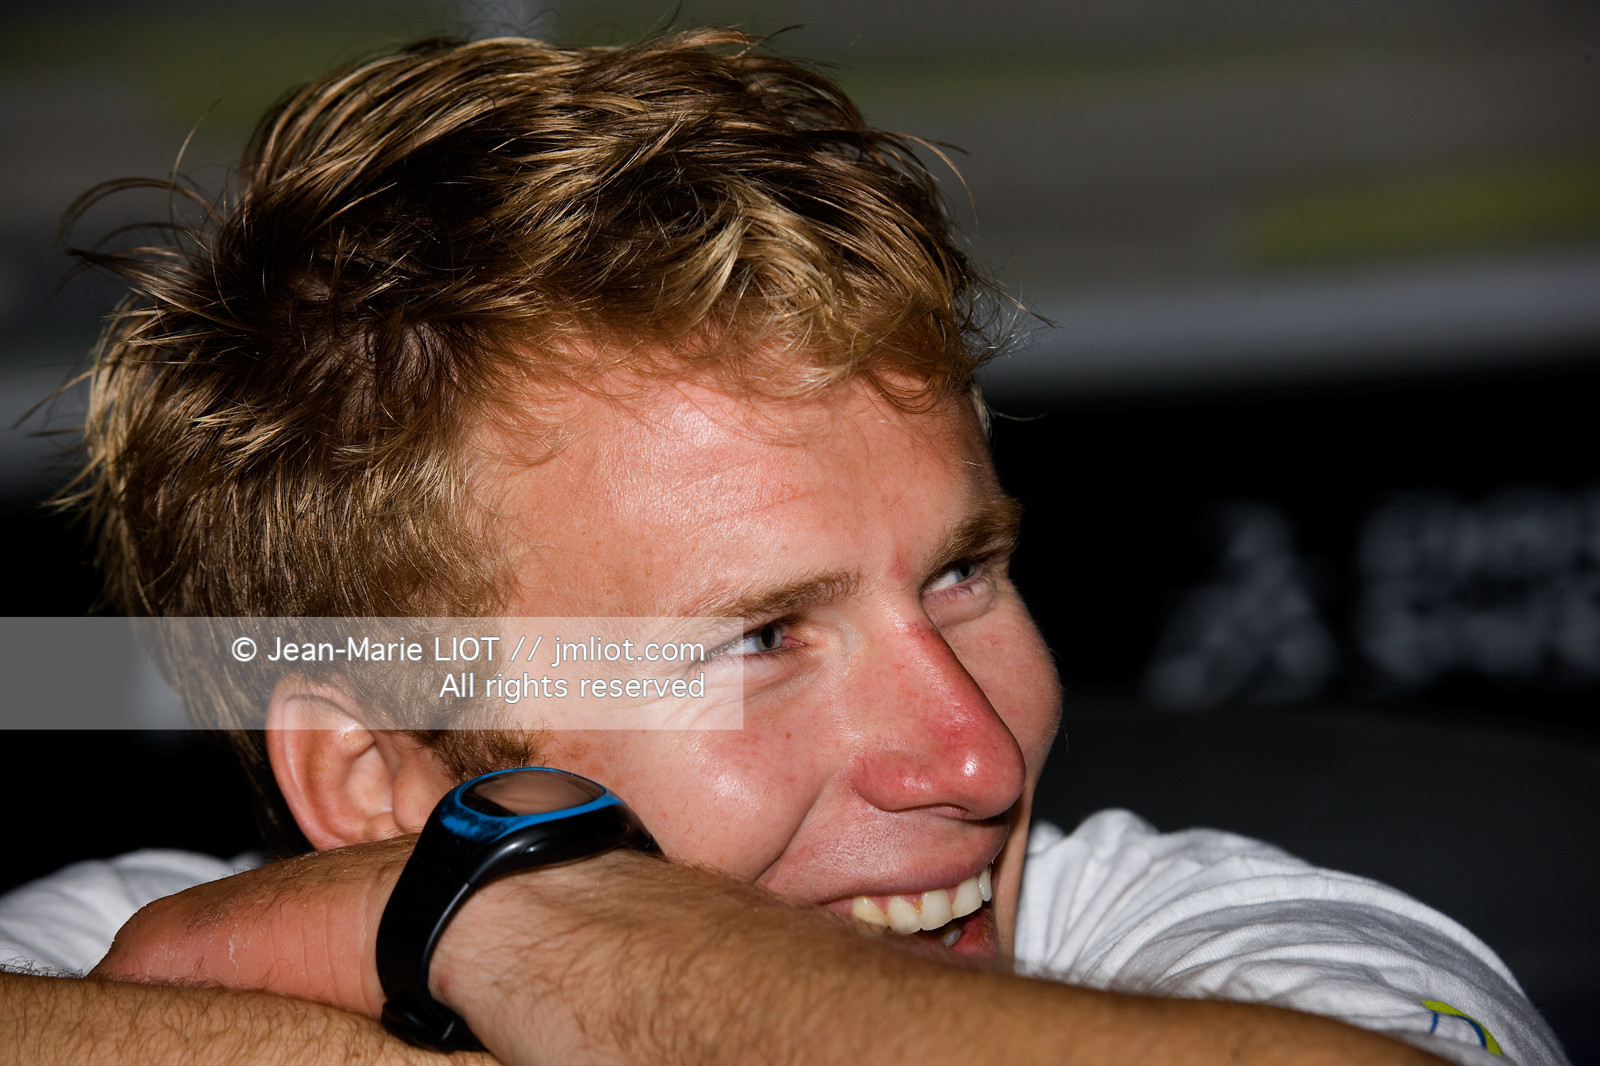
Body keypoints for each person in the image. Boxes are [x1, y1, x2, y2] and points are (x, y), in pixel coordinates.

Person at [0, 29, 1567, 1066]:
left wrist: (492, 911)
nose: (971, 752)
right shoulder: (115, 942)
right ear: (383, 784)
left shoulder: (1217, 950)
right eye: (762, 639)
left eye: (963, 572)